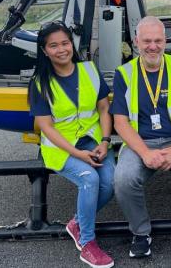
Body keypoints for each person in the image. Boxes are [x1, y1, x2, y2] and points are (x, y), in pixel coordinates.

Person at [111, 16, 171, 258]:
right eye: (146, 41)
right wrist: (144, 153)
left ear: (165, 41)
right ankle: (141, 232)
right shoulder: (124, 73)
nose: (152, 46)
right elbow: (120, 122)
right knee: (123, 179)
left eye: (157, 40)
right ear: (136, 41)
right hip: (140, 144)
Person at [28, 21, 115, 268]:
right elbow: (47, 127)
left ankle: (77, 222)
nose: (61, 49)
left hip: (94, 140)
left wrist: (105, 142)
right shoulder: (39, 83)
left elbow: (103, 109)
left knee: (110, 184)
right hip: (61, 147)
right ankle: (88, 243)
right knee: (90, 179)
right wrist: (78, 153)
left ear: (72, 44)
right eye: (53, 46)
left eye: (65, 43)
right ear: (44, 51)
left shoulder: (89, 70)